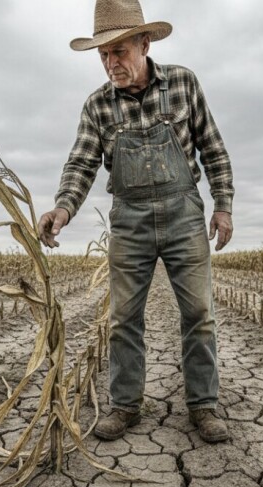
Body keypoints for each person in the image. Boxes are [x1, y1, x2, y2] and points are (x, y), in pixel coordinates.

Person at [38, 0, 234, 443]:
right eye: (103, 55)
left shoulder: (184, 84)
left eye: (120, 52)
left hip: (184, 215)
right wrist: (62, 209)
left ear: (145, 43)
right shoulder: (97, 107)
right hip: (129, 223)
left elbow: (213, 148)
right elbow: (81, 165)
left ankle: (203, 406)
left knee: (199, 314)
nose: (111, 64)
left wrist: (223, 204)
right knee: (125, 318)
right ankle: (125, 406)